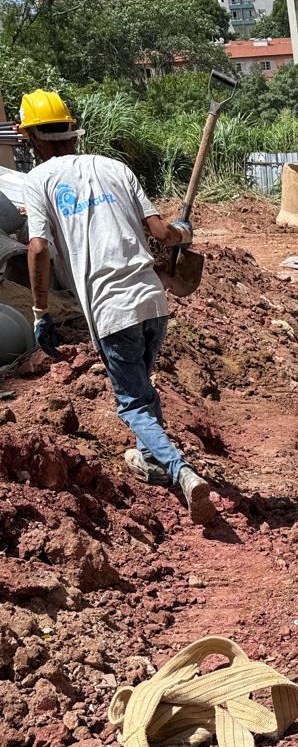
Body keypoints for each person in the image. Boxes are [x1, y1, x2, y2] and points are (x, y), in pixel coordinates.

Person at [19, 88, 216, 525]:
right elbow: (162, 233)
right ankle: (151, 458)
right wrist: (184, 232)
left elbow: (38, 248)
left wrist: (40, 311)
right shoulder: (114, 167)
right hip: (153, 301)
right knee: (142, 387)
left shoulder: (38, 181)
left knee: (131, 404)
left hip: (111, 311)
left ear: (32, 137)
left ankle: (181, 471)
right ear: (72, 132)